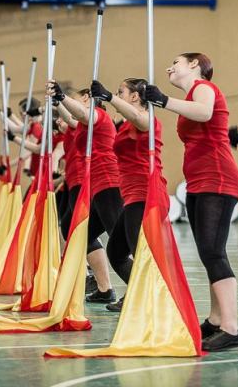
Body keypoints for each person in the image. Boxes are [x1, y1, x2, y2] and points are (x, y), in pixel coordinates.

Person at [144, 53, 238, 352]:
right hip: (199, 181)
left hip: (218, 178)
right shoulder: (190, 97)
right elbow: (208, 125)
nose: (168, 66)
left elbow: (203, 112)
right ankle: (215, 321)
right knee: (208, 252)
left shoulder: (203, 88)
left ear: (194, 65)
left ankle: (231, 327)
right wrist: (226, 133)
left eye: (175, 61)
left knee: (213, 251)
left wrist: (163, 100)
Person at [90, 78, 167, 312]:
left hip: (146, 194)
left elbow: (138, 119)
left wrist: (109, 98)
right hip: (131, 196)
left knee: (139, 252)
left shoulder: (148, 120)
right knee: (116, 251)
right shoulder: (124, 124)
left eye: (120, 91)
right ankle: (138, 293)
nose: (117, 94)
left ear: (135, 97)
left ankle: (152, 300)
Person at [48, 81, 123, 304]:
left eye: (80, 98)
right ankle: (103, 288)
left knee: (118, 243)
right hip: (95, 183)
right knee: (78, 233)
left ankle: (128, 289)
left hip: (106, 182)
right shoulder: (82, 124)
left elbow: (79, 113)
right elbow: (73, 116)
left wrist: (61, 97)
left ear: (90, 100)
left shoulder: (98, 116)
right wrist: (57, 101)